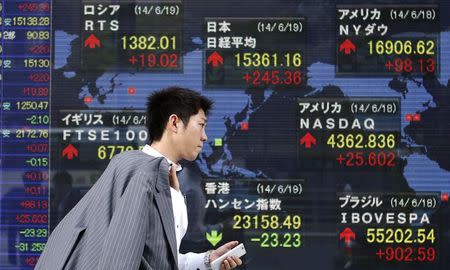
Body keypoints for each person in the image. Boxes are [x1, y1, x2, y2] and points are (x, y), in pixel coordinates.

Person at [36, 87, 243, 270]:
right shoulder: (140, 171)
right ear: (174, 123)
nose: (205, 136)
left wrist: (207, 260)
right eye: (201, 125)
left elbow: (155, 260)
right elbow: (120, 258)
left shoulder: (164, 177)